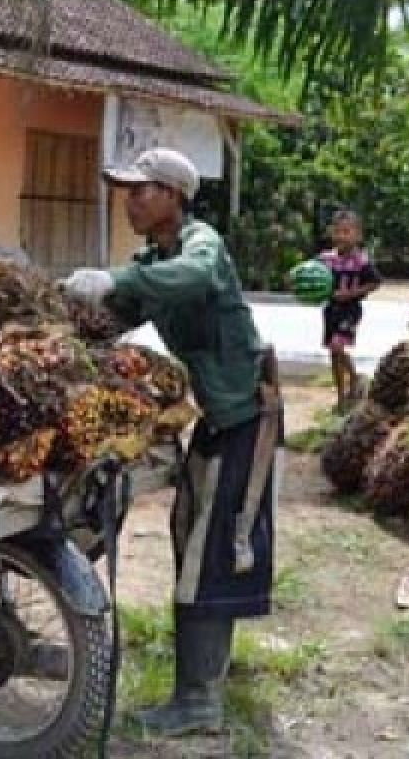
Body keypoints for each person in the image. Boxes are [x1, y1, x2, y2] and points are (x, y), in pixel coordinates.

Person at [62, 148, 282, 737]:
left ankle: (199, 703)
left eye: (141, 190)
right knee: (191, 537)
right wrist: (65, 315)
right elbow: (117, 315)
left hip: (244, 418)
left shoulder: (199, 244)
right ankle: (208, 675)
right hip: (212, 417)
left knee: (214, 551)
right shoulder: (153, 258)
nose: (129, 200)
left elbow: (190, 277)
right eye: (126, 191)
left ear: (174, 195)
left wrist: (115, 278)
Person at [319, 210, 381, 412]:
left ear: (358, 235)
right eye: (337, 231)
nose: (341, 236)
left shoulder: (361, 261)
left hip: (350, 311)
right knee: (333, 353)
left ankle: (354, 378)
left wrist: (353, 293)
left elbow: (375, 283)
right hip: (331, 310)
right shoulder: (325, 259)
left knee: (337, 347)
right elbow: (310, 276)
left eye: (346, 232)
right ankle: (341, 397)